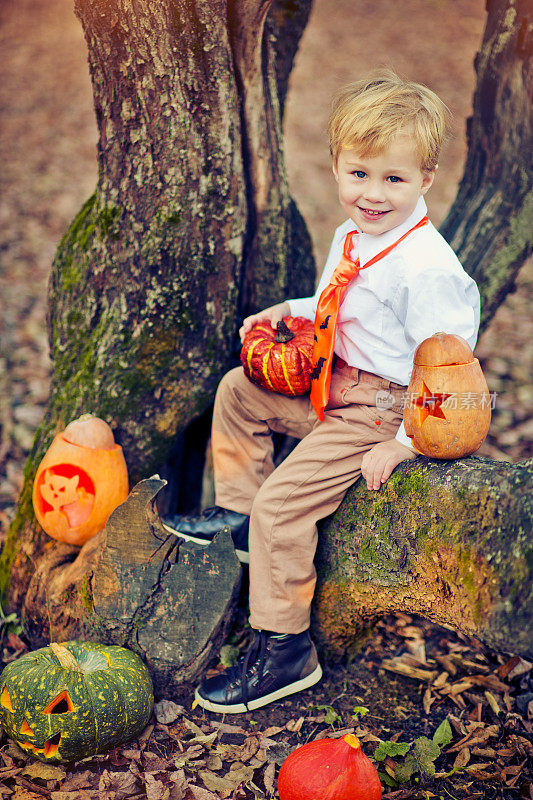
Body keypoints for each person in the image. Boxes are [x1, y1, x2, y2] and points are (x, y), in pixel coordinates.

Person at [163, 71, 480, 714]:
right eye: (359, 173)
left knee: (284, 507)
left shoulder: (427, 271)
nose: (372, 194)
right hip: (333, 383)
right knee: (238, 392)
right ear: (337, 167)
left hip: (385, 407)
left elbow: (446, 371)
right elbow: (344, 304)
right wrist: (290, 306)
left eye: (394, 178)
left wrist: (402, 443)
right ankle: (238, 514)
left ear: (426, 178)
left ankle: (284, 649)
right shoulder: (353, 237)